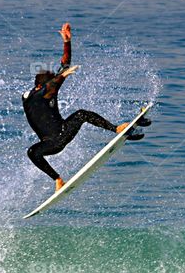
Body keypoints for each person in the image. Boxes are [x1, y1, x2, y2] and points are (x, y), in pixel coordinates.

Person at [23, 22, 149, 191]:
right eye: (51, 88)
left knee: (81, 114)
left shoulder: (48, 90)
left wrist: (67, 43)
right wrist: (60, 78)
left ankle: (117, 129)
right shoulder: (33, 97)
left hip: (64, 131)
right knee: (32, 152)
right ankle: (58, 180)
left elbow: (64, 67)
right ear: (39, 86)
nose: (54, 91)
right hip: (50, 144)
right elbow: (47, 88)